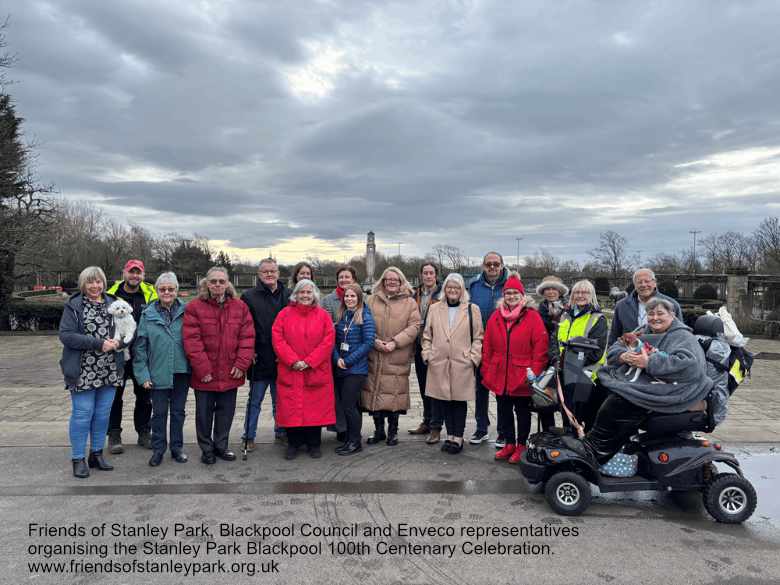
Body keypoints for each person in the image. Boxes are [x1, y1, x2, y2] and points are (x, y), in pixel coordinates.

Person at [566, 297, 713, 464]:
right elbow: (616, 347)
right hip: (642, 379)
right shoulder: (643, 330)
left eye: (660, 313)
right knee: (596, 388)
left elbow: (690, 367)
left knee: (622, 399)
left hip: (674, 388)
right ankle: (593, 438)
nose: (655, 318)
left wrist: (649, 363)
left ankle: (596, 450)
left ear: (672, 315)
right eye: (651, 314)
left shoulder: (682, 336)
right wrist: (622, 356)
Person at [183, 266, 255, 464]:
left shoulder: (240, 307)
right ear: (206, 283)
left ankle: (221, 446)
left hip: (231, 372)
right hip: (205, 374)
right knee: (204, 415)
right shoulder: (194, 307)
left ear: (227, 283)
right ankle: (206, 449)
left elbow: (247, 338)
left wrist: (242, 364)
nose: (217, 285)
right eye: (213, 281)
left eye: (221, 281)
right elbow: (192, 341)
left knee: (226, 413)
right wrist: (202, 369)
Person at [59, 266, 125, 478]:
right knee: (82, 414)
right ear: (83, 284)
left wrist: (120, 341)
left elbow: (127, 330)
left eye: (98, 282)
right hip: (83, 369)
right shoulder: (74, 305)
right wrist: (98, 344)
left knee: (102, 414)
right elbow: (66, 335)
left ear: (104, 283)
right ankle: (78, 458)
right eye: (90, 282)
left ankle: (96, 454)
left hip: (109, 368)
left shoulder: (113, 303)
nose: (95, 286)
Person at [481, 274, 549, 464]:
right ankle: (509, 443)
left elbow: (540, 347)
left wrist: (534, 372)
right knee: (503, 411)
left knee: (522, 412)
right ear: (503, 295)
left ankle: (521, 445)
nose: (511, 296)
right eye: (508, 293)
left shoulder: (532, 317)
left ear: (522, 295)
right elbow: (487, 345)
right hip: (499, 372)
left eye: (515, 293)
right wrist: (487, 369)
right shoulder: (496, 317)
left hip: (522, 374)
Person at [272, 279, 336, 459]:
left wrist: (309, 361)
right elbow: (278, 339)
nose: (305, 296)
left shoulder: (323, 315)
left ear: (314, 294)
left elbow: (328, 341)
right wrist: (293, 360)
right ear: (296, 294)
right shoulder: (284, 314)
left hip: (314, 370)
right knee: (291, 409)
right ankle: (294, 444)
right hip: (291, 369)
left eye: (309, 292)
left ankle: (314, 444)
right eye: (302, 292)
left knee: (314, 410)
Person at [421, 273, 483, 454]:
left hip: (462, 362)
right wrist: (427, 354)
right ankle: (449, 436)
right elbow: (427, 335)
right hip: (439, 362)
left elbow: (479, 337)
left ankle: (458, 436)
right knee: (444, 401)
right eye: (449, 287)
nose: (453, 290)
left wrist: (473, 358)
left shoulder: (472, 309)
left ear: (462, 290)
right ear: (444, 289)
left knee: (458, 401)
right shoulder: (434, 309)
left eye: (456, 287)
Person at [133, 272, 190, 467]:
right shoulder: (147, 315)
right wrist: (143, 375)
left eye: (171, 289)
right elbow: (140, 348)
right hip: (157, 372)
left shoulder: (187, 311)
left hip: (181, 371)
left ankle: (177, 448)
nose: (167, 292)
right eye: (162, 289)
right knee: (158, 413)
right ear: (157, 291)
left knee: (178, 412)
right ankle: (158, 449)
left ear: (177, 291)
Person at [362, 267, 421, 446]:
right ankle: (379, 430)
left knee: (394, 395)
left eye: (395, 279)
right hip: (375, 353)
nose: (391, 282)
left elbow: (414, 326)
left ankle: (393, 432)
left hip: (397, 355)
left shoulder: (410, 303)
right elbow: (363, 322)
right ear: (383, 281)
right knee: (375, 393)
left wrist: (395, 342)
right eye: (388, 280)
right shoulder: (371, 300)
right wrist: (374, 341)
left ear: (401, 281)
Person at [106, 259, 158, 454]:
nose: (135, 276)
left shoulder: (150, 294)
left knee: (144, 396)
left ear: (142, 275)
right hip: (117, 354)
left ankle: (144, 432)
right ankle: (114, 434)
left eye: (138, 272)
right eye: (131, 272)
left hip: (142, 353)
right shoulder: (110, 295)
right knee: (114, 396)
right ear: (124, 273)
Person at [240, 258, 291, 450]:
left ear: (278, 273)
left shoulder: (288, 295)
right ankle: (249, 436)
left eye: (273, 271)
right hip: (259, 358)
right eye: (265, 272)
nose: (269, 274)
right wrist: (249, 350)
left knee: (281, 401)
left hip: (282, 358)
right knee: (255, 401)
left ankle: (282, 432)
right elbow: (244, 327)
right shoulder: (249, 296)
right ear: (259, 274)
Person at [468, 251, 510, 447]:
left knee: (501, 391)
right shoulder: (474, 285)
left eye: (496, 264)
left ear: (502, 265)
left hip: (503, 345)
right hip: (479, 343)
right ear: (483, 266)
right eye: (488, 264)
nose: (492, 267)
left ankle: (503, 431)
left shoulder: (509, 285)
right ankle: (481, 427)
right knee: (480, 388)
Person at [557, 279, 608, 431]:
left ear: (591, 295)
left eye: (585, 292)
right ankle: (569, 443)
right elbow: (558, 341)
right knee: (567, 412)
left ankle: (582, 447)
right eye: (577, 292)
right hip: (565, 372)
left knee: (582, 416)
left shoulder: (597, 318)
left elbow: (596, 351)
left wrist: (571, 360)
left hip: (584, 375)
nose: (580, 295)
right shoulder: (565, 315)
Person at [332, 283, 376, 455]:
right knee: (347, 406)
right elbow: (334, 342)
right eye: (347, 296)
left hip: (356, 369)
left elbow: (368, 343)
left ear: (359, 298)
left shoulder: (365, 316)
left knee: (349, 406)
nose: (349, 299)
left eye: (353, 296)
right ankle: (350, 439)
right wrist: (337, 359)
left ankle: (355, 442)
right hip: (341, 367)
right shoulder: (343, 315)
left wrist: (348, 361)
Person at [410, 262, 444, 443]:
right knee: (423, 386)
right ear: (421, 275)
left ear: (435, 275)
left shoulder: (443, 293)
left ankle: (436, 427)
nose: (428, 276)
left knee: (435, 388)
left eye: (431, 273)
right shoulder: (414, 294)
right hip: (418, 345)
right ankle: (427, 420)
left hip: (437, 346)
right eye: (425, 273)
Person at [609, 268, 682, 345]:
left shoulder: (672, 305)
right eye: (639, 282)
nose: (643, 285)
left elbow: (680, 335)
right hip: (630, 354)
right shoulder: (621, 306)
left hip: (663, 353)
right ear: (634, 285)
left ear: (654, 283)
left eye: (647, 281)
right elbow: (614, 337)